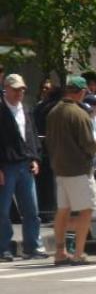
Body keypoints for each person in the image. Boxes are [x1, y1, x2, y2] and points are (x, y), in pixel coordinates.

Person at [45, 76, 96, 266]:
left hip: (60, 169)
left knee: (63, 210)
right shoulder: (79, 114)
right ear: (81, 92)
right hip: (78, 169)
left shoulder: (53, 112)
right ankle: (79, 253)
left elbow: (49, 142)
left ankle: (60, 252)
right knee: (86, 211)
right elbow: (88, 144)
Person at [0, 74, 48, 261]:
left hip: (25, 164)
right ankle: (3, 247)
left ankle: (32, 246)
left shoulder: (26, 109)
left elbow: (32, 135)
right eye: (16, 89)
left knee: (31, 210)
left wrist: (35, 158)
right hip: (6, 166)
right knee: (3, 210)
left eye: (22, 89)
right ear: (7, 89)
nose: (20, 93)